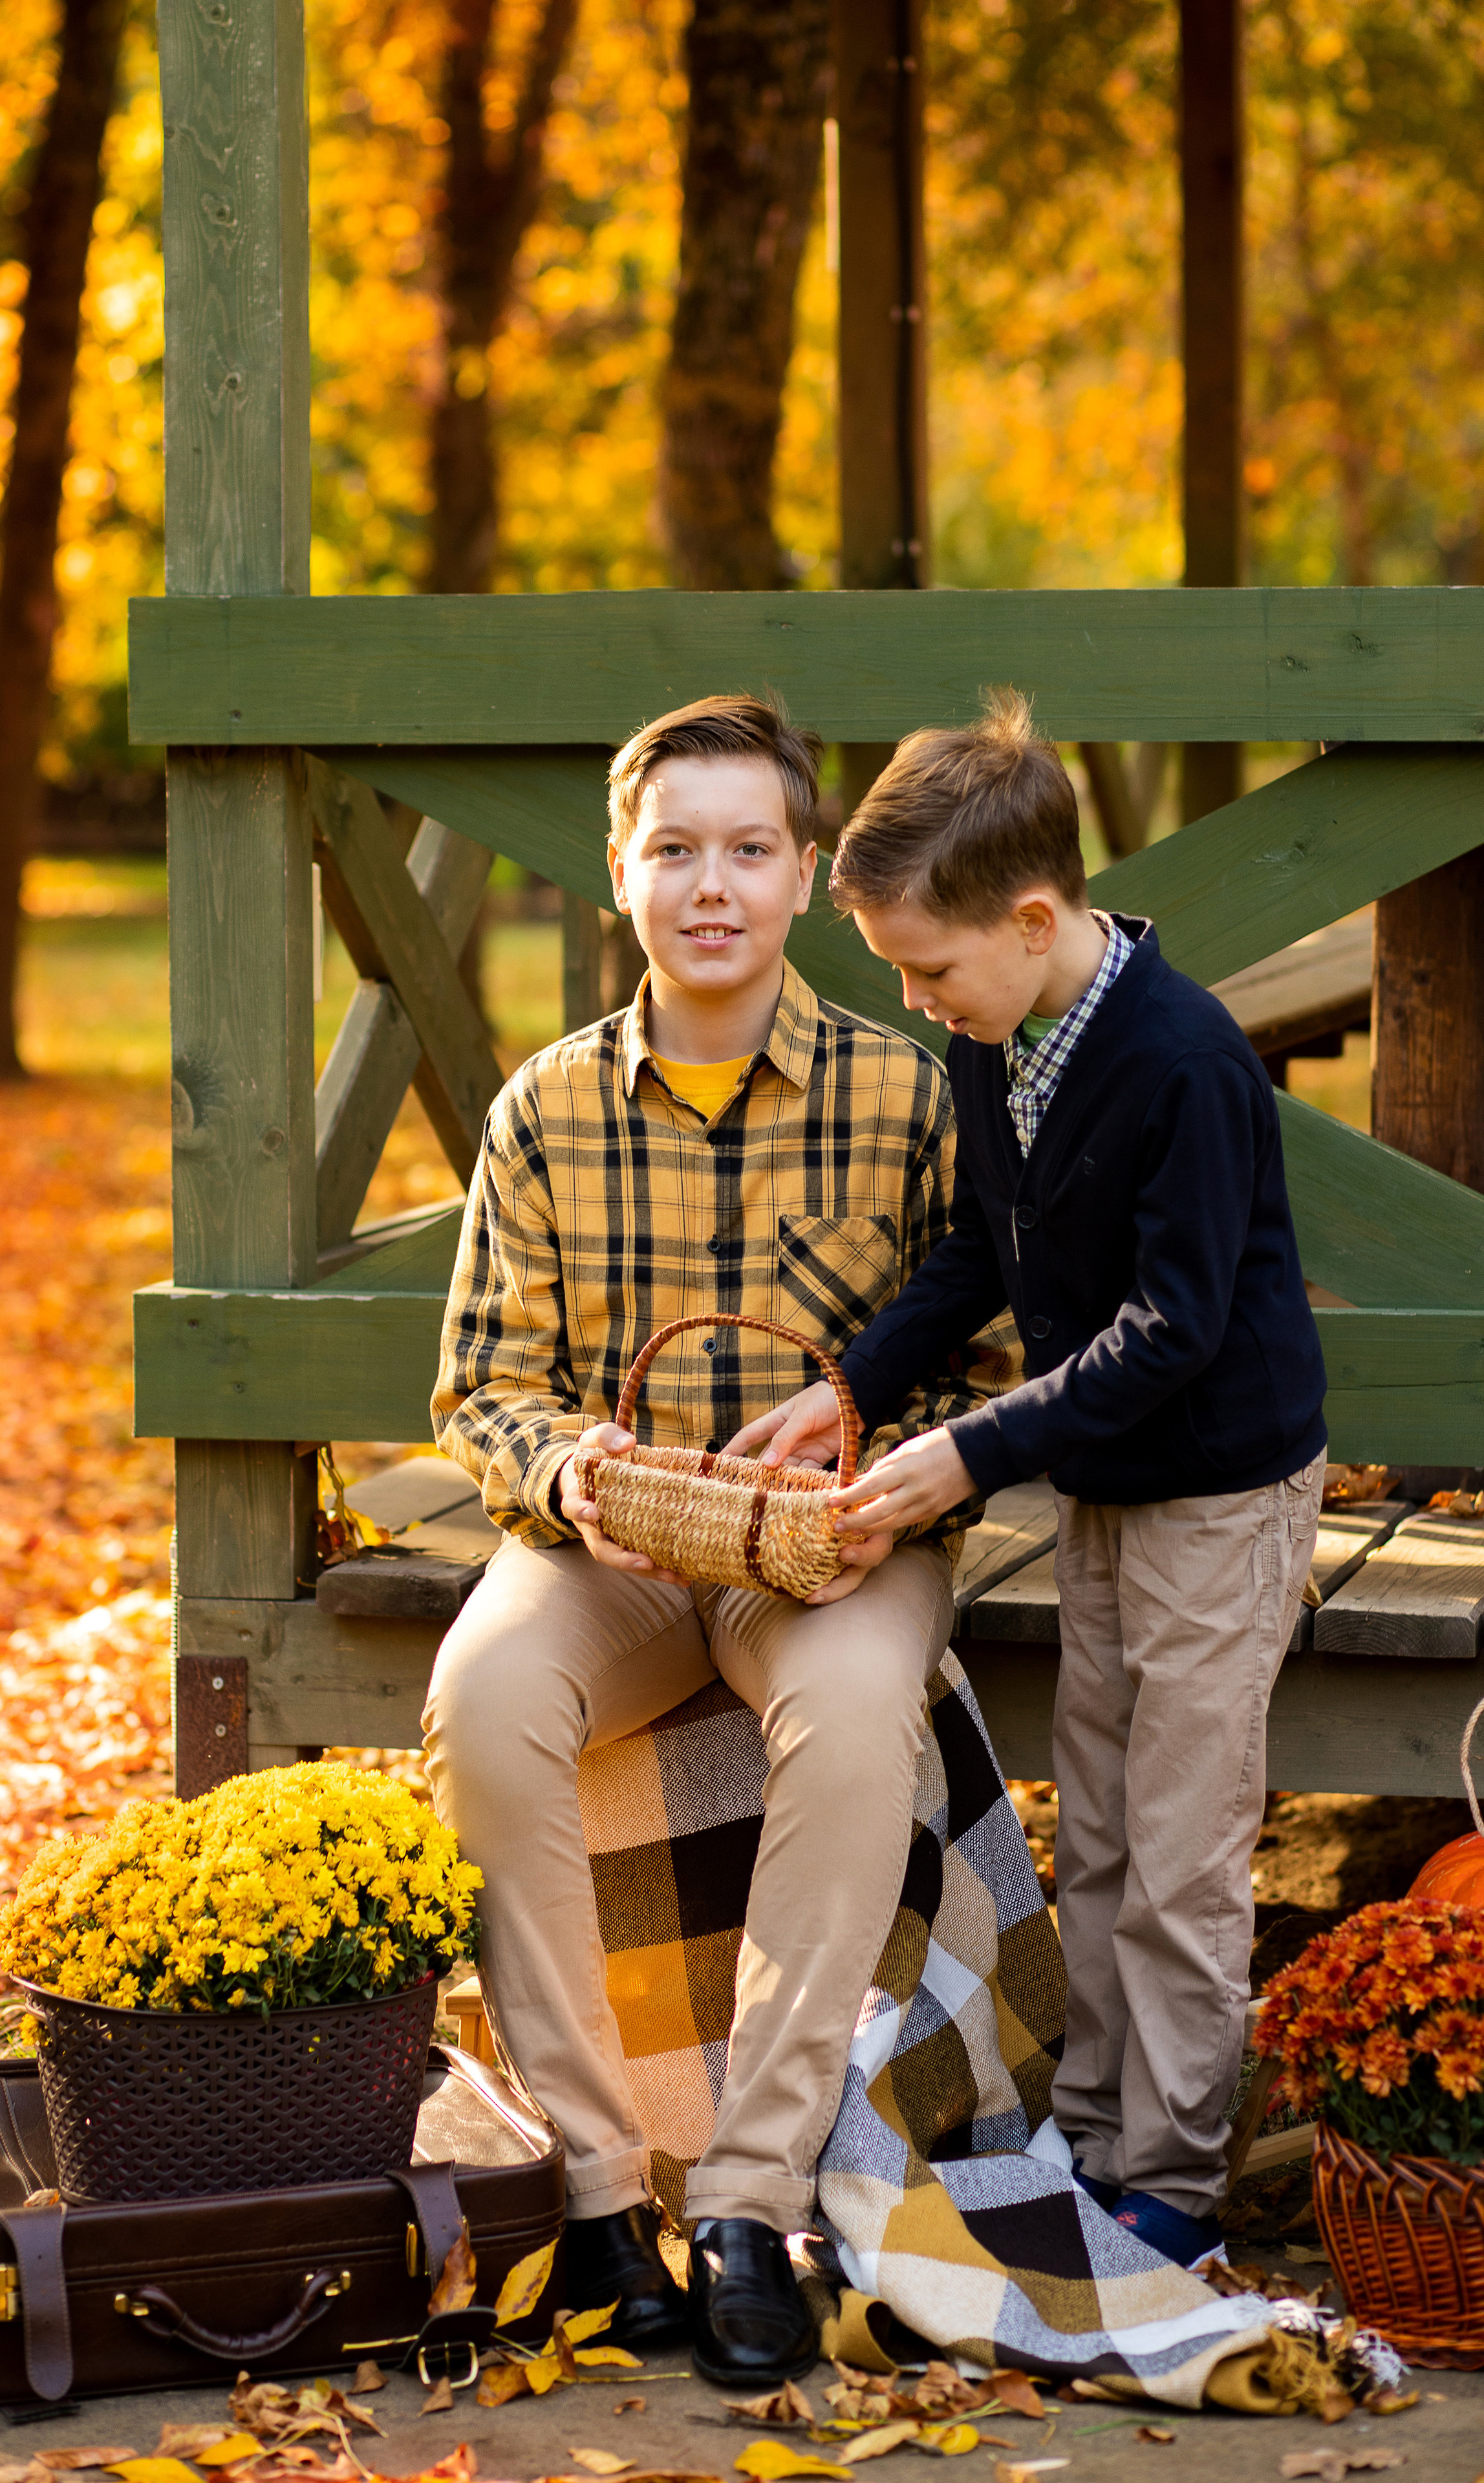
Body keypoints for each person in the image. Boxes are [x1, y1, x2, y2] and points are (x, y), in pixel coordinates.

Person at [424, 693, 1005, 2385]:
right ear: (620, 875)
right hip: (618, 1549)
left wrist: (879, 1486)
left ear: (807, 874)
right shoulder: (543, 1111)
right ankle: (604, 2203)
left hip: (834, 1545)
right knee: (483, 1704)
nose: (712, 885)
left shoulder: (908, 1097)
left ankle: (753, 2200)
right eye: (674, 849)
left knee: (846, 1724)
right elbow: (479, 1386)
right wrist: (573, 1476)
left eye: (750, 848)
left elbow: (984, 1349)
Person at [734, 690, 1327, 2272]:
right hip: (1103, 1489)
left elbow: (1173, 1328)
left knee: (1186, 1849)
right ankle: (1095, 2128)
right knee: (1110, 1827)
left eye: (928, 969)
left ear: (1034, 916)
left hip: (1214, 1490)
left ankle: (1176, 2184)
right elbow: (974, 1256)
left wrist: (963, 1454)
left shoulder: (1182, 1061)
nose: (918, 1002)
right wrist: (850, 1387)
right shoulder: (999, 1039)